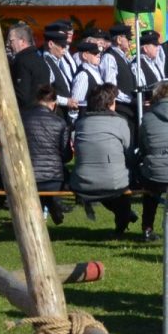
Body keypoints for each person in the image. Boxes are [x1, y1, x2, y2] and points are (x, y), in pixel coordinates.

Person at [68, 83, 137, 236]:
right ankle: (122, 222)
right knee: (120, 182)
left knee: (110, 180)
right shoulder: (120, 122)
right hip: (113, 181)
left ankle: (125, 216)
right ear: (110, 103)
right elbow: (129, 151)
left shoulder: (80, 123)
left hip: (82, 181)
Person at [135, 79, 168, 241]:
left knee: (150, 191)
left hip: (155, 175)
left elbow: (143, 147)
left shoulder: (148, 118)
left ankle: (147, 228)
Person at [22, 83, 73, 222]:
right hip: (53, 177)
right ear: (53, 103)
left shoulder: (23, 118)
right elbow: (67, 155)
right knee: (50, 193)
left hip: (27, 173)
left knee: (40, 196)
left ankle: (50, 207)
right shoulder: (60, 122)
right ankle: (53, 206)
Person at [7, 22, 53, 112]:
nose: (9, 44)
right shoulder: (40, 60)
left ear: (22, 41)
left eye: (11, 40)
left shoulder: (21, 61)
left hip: (26, 115)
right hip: (43, 113)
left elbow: (21, 95)